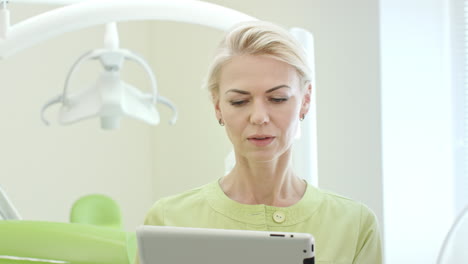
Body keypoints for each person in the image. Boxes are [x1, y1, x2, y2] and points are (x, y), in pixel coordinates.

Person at [137, 20, 382, 263]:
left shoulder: (354, 225)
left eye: (277, 98)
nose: (259, 117)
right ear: (217, 106)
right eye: (239, 101)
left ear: (305, 100)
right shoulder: (169, 221)